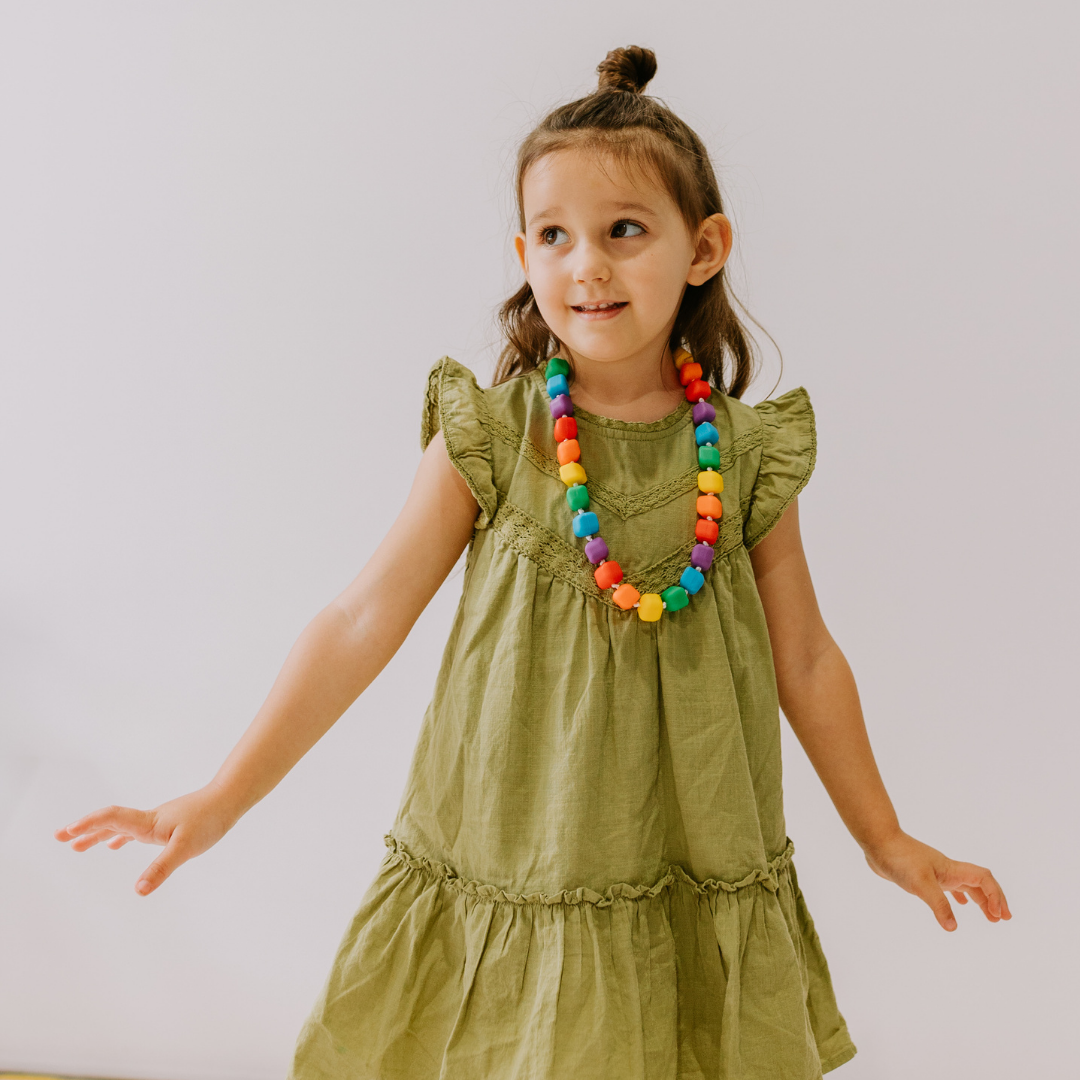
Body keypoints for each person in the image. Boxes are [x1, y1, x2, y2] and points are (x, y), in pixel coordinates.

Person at [54, 44, 1011, 1079]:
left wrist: (884, 835)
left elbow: (808, 659)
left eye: (624, 231)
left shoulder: (740, 453)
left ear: (706, 247)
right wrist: (222, 796)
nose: (586, 264)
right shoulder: (494, 436)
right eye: (554, 236)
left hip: (690, 851)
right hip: (518, 846)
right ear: (523, 252)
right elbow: (361, 618)